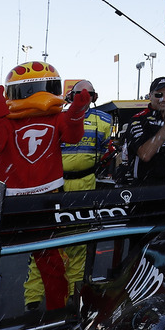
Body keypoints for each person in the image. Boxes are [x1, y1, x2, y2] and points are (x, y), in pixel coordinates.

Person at [0, 61, 90, 311]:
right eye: (30, 91)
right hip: (7, 200)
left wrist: (76, 113)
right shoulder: (7, 121)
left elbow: (73, 136)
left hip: (46, 198)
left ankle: (55, 314)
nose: (39, 97)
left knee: (49, 259)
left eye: (45, 88)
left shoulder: (58, 118)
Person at [27, 80, 112, 304]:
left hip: (86, 184)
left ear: (95, 96)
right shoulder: (58, 118)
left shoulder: (105, 119)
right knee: (45, 243)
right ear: (69, 96)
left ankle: (73, 298)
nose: (83, 97)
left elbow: (104, 150)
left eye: (89, 93)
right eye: (78, 93)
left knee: (79, 243)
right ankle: (33, 299)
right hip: (56, 185)